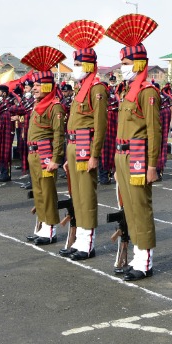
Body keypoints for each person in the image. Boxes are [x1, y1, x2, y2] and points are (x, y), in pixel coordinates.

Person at [105, 13, 162, 280]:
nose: (122, 67)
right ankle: (138, 256)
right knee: (129, 206)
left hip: (139, 157)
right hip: (123, 156)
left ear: (139, 64)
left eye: (126, 63)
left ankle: (144, 260)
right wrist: (117, 163)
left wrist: (153, 165)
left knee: (141, 208)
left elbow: (154, 131)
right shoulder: (128, 90)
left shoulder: (147, 92)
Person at [58, 19, 109, 260]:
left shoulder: (97, 88)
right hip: (73, 145)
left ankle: (87, 242)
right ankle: (79, 239)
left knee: (86, 194)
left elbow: (99, 124)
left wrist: (94, 154)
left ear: (89, 66)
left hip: (85, 146)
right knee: (76, 194)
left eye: (78, 63)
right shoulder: (81, 87)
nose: (75, 67)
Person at [23, 49, 68, 244]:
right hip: (34, 153)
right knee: (39, 191)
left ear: (48, 86)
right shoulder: (39, 104)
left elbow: (59, 135)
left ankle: (50, 230)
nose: (34, 88)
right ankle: (42, 226)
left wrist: (56, 159)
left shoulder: (54, 106)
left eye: (38, 85)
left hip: (46, 154)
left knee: (48, 192)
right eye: (34, 84)